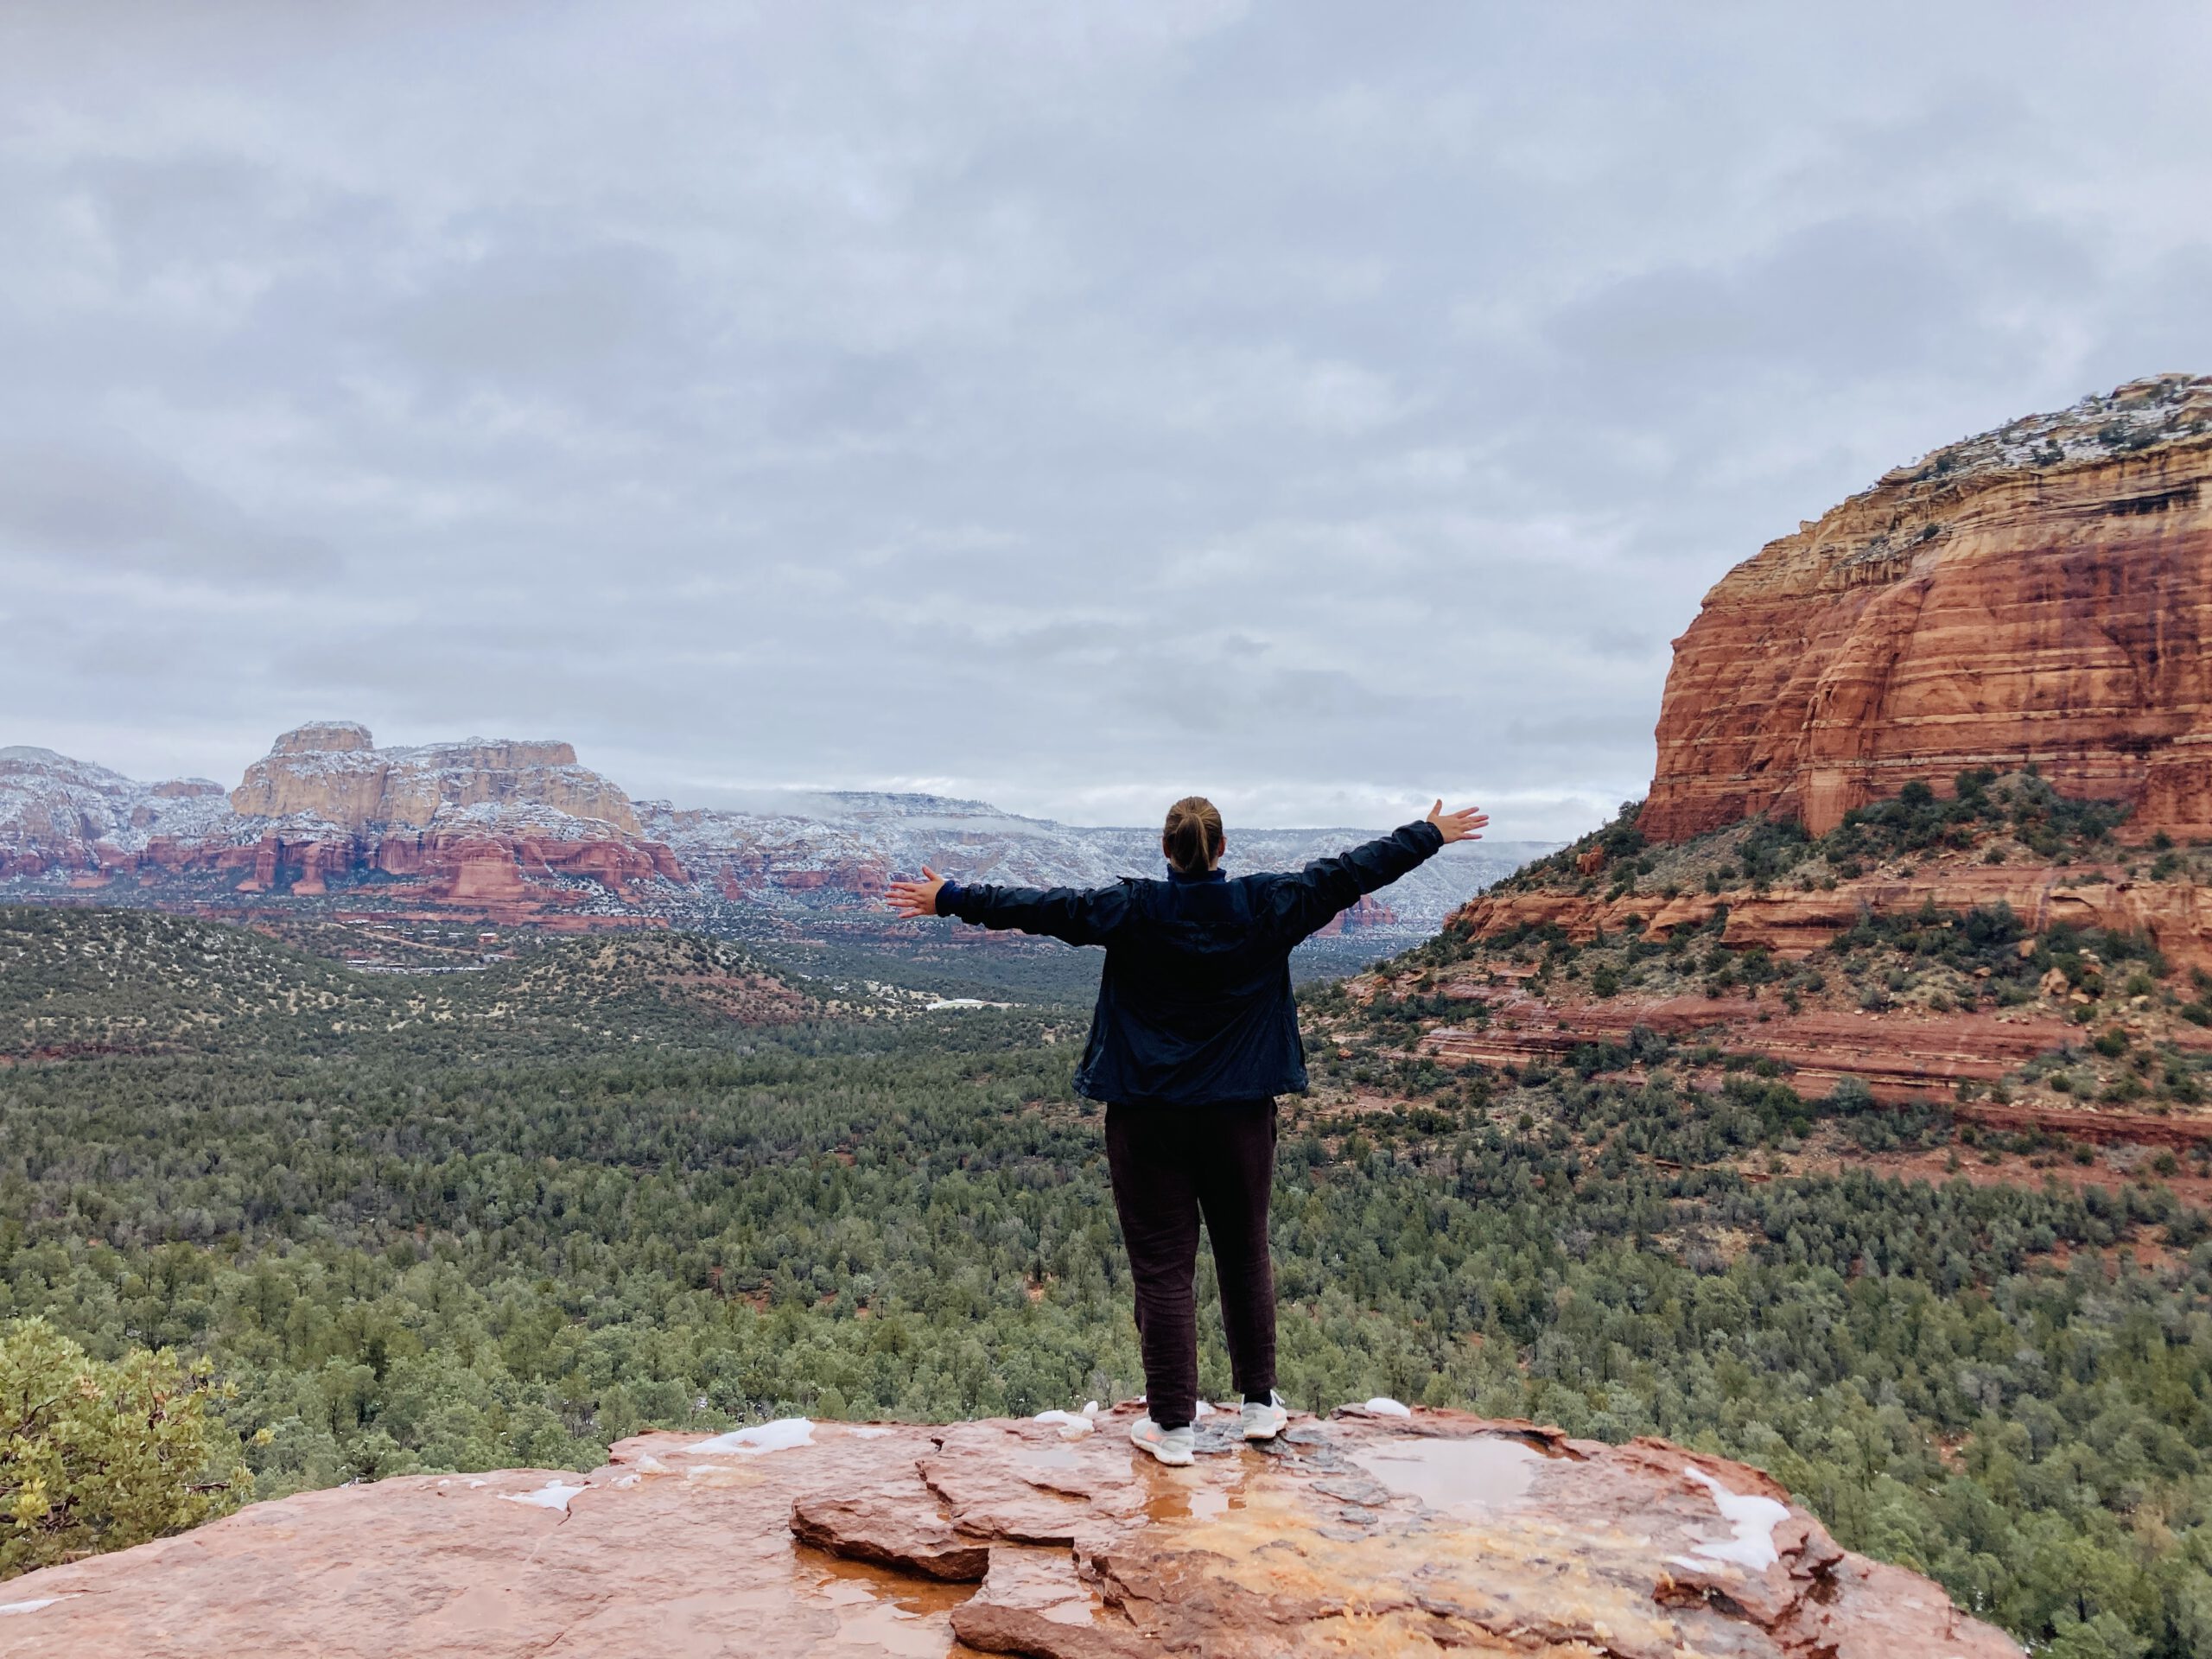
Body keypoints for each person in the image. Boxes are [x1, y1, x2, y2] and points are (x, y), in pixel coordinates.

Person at [886, 795, 1488, 1466]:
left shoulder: (1134, 908)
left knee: (1164, 1269)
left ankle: (1172, 1427)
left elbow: (1044, 908)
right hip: (1240, 1115)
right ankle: (1259, 1406)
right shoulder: (1270, 903)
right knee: (1244, 1252)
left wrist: (950, 896)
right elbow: (1354, 872)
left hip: (1147, 1116)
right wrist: (1429, 833)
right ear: (1221, 850)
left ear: (1167, 852)